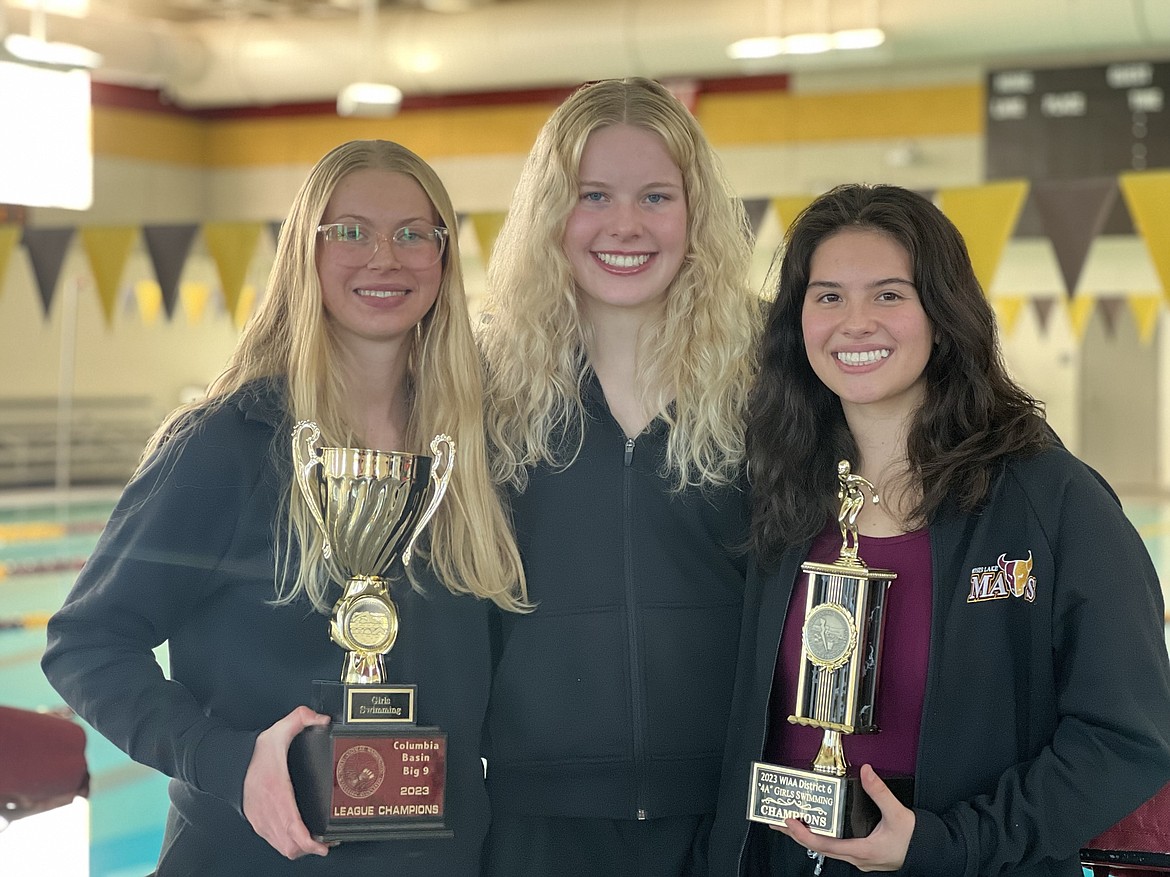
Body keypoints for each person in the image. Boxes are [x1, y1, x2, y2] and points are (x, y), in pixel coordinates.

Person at [41, 139, 527, 876]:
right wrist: (229, 762)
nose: (384, 257)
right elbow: (87, 642)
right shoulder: (227, 445)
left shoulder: (477, 453)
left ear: (444, 257)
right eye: (351, 232)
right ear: (306, 251)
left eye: (412, 234)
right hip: (250, 857)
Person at [710, 183, 1170, 876]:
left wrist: (949, 843)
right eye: (828, 295)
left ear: (943, 311)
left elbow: (1127, 736)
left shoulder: (1051, 499)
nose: (855, 321)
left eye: (889, 294)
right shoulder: (776, 491)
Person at [477, 77, 761, 876]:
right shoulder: (485, 384)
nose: (625, 225)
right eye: (592, 194)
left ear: (695, 212)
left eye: (656, 196)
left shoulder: (769, 373)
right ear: (548, 215)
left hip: (727, 814)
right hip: (538, 818)